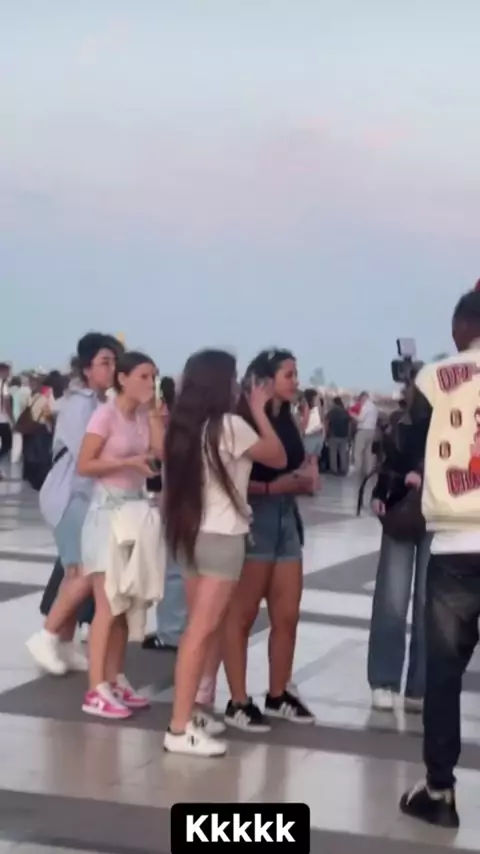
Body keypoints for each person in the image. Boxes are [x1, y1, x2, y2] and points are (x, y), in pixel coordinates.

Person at [162, 349, 286, 756]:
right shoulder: (229, 426)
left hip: (191, 534)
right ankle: (179, 727)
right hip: (222, 538)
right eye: (233, 379)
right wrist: (259, 410)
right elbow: (277, 456)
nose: (237, 386)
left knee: (203, 629)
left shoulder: (184, 427)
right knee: (201, 632)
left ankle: (192, 713)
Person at [400, 288, 480, 829]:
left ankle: (440, 790)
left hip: (456, 542)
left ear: (460, 329)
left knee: (445, 675)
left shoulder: (435, 377)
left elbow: (410, 444)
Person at [223, 349, 316, 732]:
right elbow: (231, 479)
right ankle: (237, 700)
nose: (295, 381)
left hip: (286, 518)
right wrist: (272, 486)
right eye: (288, 374)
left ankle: (278, 693)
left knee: (287, 613)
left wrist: (305, 477)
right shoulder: (241, 420)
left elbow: (291, 462)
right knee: (242, 615)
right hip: (255, 518)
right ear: (264, 380)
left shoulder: (287, 417)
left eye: (296, 373)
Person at [77, 351, 165, 719]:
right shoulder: (105, 414)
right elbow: (85, 464)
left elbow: (159, 454)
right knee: (107, 604)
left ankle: (114, 679)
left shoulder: (143, 415)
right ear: (123, 378)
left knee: (125, 604)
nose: (150, 383)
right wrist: (126, 462)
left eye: (153, 376)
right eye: (143, 376)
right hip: (106, 514)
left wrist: (155, 412)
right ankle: (95, 687)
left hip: (133, 512)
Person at [26, 334, 118, 675]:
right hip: (69, 496)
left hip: (85, 497)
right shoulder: (80, 404)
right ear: (86, 368)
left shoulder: (99, 402)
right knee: (83, 571)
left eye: (114, 362)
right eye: (105, 362)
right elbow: (88, 456)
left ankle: (63, 642)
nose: (112, 369)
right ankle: (47, 635)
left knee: (75, 571)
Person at [367, 384, 431, 712]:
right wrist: (381, 492)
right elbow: (388, 463)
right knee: (392, 598)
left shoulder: (458, 421)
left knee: (428, 602)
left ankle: (419, 685)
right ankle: (385, 679)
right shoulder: (398, 422)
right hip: (401, 511)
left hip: (440, 515)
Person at [143, 375, 188, 652]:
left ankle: (172, 632)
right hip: (188, 504)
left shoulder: (182, 426)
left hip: (181, 505)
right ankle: (176, 628)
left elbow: (162, 452)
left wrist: (150, 411)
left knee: (174, 569)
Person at [353, 391, 378, 478]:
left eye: (361, 398)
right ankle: (368, 471)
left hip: (363, 430)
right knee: (368, 452)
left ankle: (358, 471)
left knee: (358, 452)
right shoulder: (374, 407)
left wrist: (352, 414)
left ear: (364, 397)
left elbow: (360, 419)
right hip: (372, 431)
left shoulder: (366, 406)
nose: (360, 401)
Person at [325, 396, 352, 475]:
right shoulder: (345, 411)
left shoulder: (331, 412)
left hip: (333, 435)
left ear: (334, 403)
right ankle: (343, 469)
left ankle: (334, 470)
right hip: (344, 435)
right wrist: (349, 435)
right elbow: (349, 424)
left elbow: (327, 423)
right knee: (343, 453)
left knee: (333, 453)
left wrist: (326, 434)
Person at [0, 362, 12, 474]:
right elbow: (7, 405)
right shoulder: (3, 385)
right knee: (8, 444)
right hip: (2, 420)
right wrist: (12, 420)